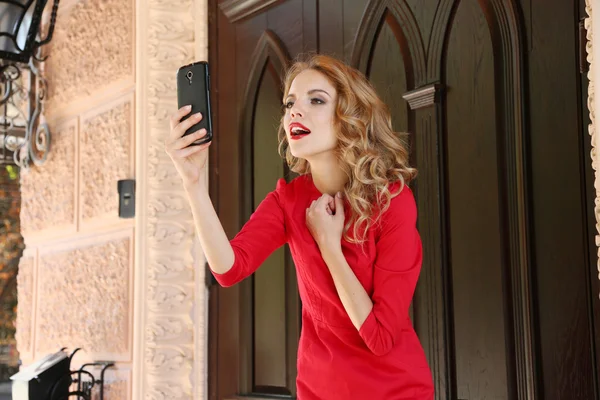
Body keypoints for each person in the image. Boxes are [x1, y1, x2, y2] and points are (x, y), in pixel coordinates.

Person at [165, 54, 434, 400]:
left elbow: (380, 337)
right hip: (318, 390)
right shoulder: (287, 201)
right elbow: (228, 269)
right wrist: (193, 183)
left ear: (350, 118)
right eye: (290, 103)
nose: (294, 111)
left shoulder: (392, 201)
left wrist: (329, 245)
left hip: (395, 390)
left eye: (316, 100)